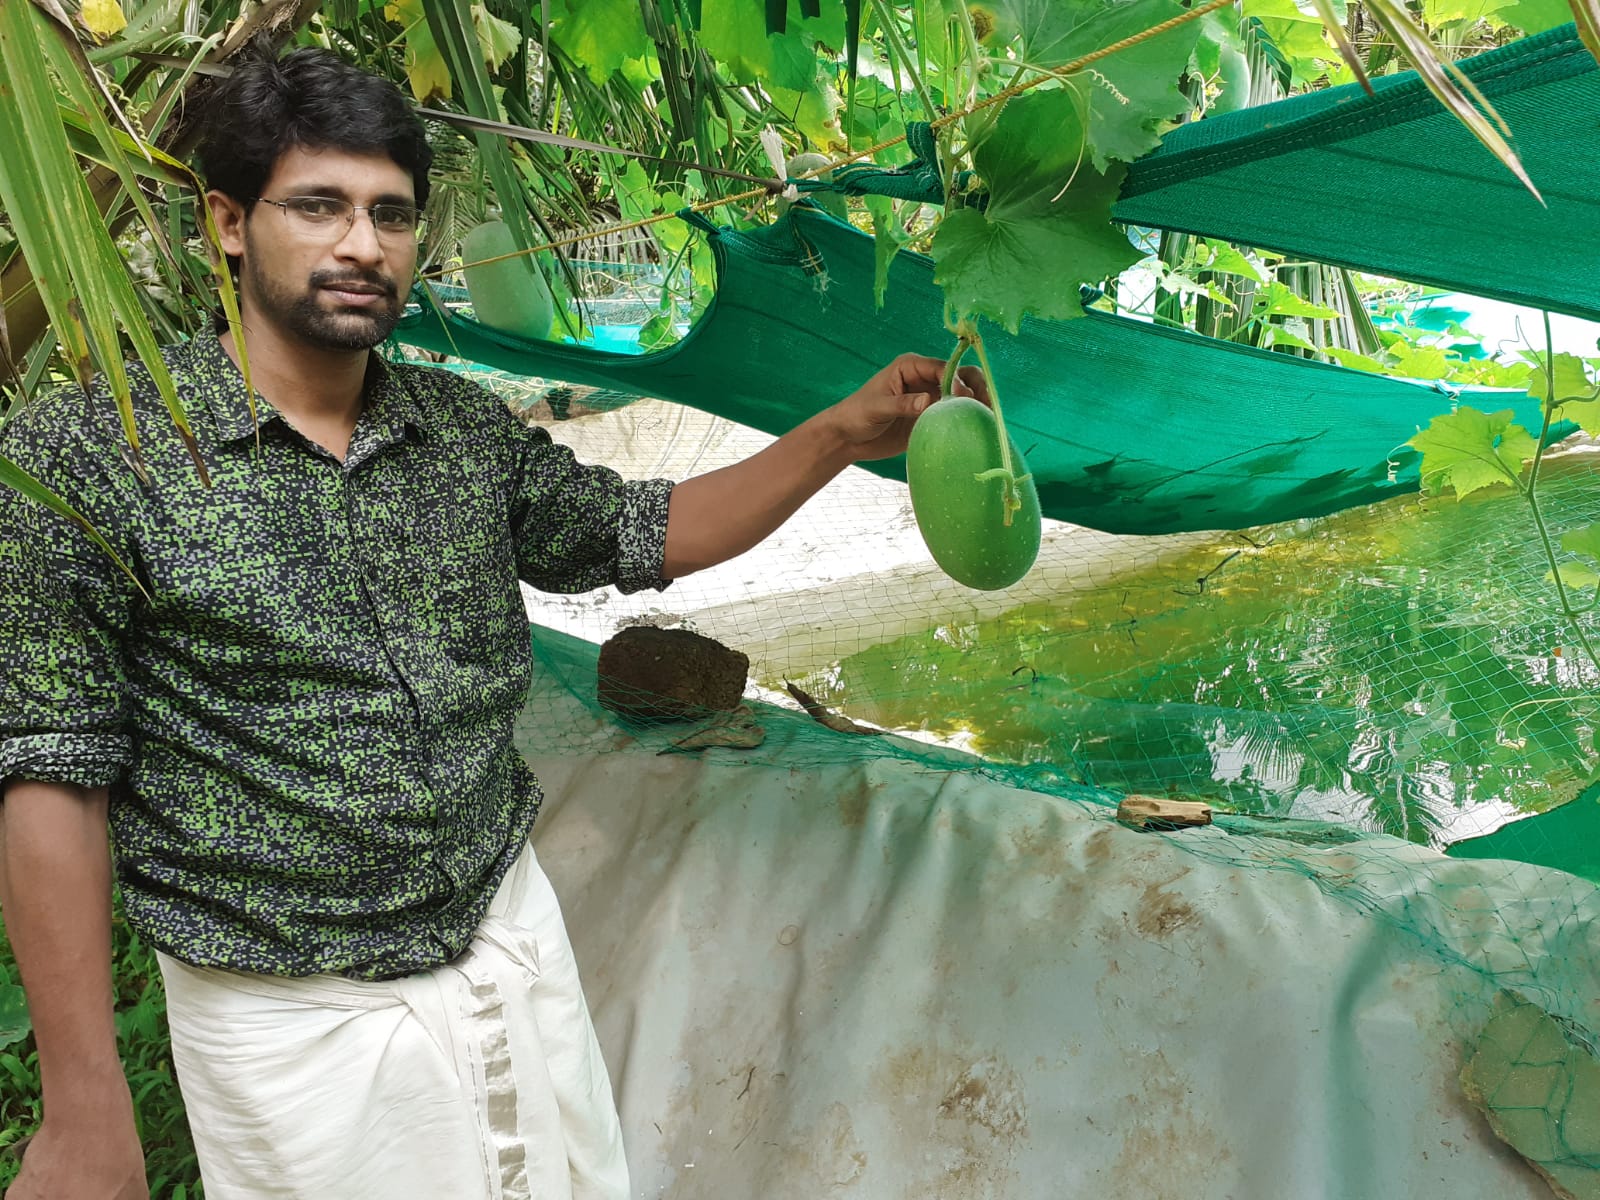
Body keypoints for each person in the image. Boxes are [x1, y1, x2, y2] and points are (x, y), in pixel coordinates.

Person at [0, 45, 985, 1200]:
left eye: (392, 213)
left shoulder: (461, 436)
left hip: (507, 943)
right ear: (228, 223)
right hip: (295, 1021)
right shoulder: (89, 459)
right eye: (319, 206)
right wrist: (83, 1105)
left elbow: (644, 530)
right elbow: (53, 777)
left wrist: (834, 434)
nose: (363, 244)